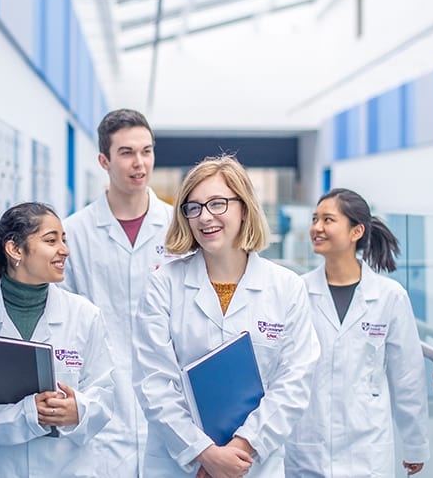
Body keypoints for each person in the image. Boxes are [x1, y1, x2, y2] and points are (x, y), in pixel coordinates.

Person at [132, 154, 320, 478]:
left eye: (218, 204)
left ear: (244, 207)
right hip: (180, 465)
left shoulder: (286, 287)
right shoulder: (163, 284)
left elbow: (294, 381)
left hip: (253, 464)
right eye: (194, 208)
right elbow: (154, 383)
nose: (205, 217)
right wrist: (204, 454)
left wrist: (242, 447)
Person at [0, 202, 115, 478]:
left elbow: (104, 394)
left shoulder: (84, 315)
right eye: (51, 240)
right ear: (15, 249)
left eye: (63, 240)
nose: (64, 250)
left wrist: (77, 410)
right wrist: (26, 415)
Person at [285, 188, 430, 477]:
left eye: (328, 220)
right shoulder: (297, 291)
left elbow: (407, 377)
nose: (316, 228)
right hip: (308, 445)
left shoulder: (389, 296)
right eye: (315, 219)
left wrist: (415, 443)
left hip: (368, 448)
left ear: (356, 231)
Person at [61, 108, 173, 476]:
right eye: (126, 153)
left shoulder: (179, 228)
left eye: (146, 151)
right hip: (101, 403)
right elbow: (63, 322)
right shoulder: (73, 233)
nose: (139, 163)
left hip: (170, 402)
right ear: (104, 161)